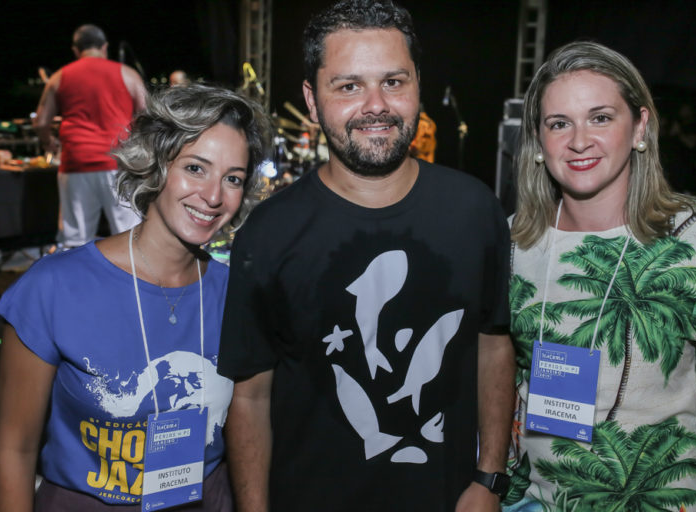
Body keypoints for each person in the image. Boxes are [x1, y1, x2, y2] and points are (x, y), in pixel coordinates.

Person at [217, 1, 515, 511]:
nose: (376, 105)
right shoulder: (268, 232)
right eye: (349, 86)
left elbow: (494, 346)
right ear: (312, 100)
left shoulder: (475, 210)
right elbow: (250, 396)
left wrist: (490, 479)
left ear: (417, 84)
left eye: (393, 82)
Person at [0, 84, 269, 511]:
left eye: (232, 178)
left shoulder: (240, 295)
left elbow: (253, 422)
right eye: (196, 168)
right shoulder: (54, 287)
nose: (214, 196)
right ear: (156, 164)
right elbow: (14, 450)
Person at [504, 41, 696, 512]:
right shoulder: (514, 244)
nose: (579, 141)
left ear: (639, 126)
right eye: (559, 123)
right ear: (538, 139)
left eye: (600, 117)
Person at [33, 24, 147, 248]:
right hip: (119, 162)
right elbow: (147, 116)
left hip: (76, 163)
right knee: (130, 237)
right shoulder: (127, 74)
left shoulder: (59, 77)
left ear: (76, 50)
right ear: (104, 47)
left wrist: (49, 142)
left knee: (75, 240)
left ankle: (77, 272)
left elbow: (41, 121)